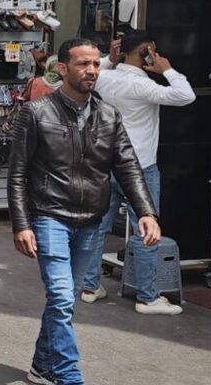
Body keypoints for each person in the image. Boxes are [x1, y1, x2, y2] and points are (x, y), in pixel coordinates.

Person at [7, 38, 160, 385]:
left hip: (92, 221)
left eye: (95, 64)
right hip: (50, 217)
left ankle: (43, 364)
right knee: (60, 297)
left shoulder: (108, 115)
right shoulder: (36, 112)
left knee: (66, 301)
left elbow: (127, 165)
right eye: (83, 64)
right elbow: (18, 173)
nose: (92, 70)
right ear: (63, 69)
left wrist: (146, 211)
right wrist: (22, 223)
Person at [80, 31, 195, 313]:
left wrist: (109, 59)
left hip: (105, 163)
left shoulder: (104, 78)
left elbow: (92, 74)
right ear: (146, 50)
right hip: (139, 167)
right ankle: (147, 296)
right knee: (146, 230)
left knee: (97, 226)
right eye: (152, 51)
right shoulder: (143, 86)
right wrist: (167, 70)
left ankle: (90, 285)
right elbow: (186, 95)